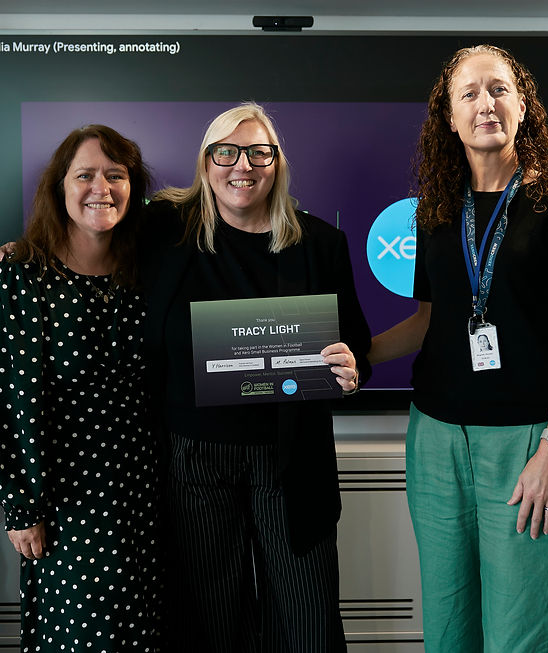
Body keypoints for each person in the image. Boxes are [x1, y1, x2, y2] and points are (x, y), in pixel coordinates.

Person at [368, 45, 548, 653]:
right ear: (448, 117)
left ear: (522, 106)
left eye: (498, 89)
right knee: (448, 632)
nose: (486, 104)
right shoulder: (434, 214)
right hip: (436, 443)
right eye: (469, 93)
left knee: (522, 636)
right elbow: (429, 320)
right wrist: (361, 355)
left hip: (529, 442)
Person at [143, 102, 371, 652]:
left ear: (277, 164)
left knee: (306, 615)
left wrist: (351, 367)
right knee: (207, 618)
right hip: (193, 456)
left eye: (258, 152)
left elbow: (355, 341)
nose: (241, 165)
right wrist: (18, 251)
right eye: (226, 152)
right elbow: (86, 227)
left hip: (291, 457)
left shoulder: (320, 244)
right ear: (205, 163)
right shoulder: (163, 230)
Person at [0, 125, 161, 652]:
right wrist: (20, 507)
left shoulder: (151, 274)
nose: (101, 187)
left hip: (149, 502)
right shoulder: (20, 277)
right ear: (60, 188)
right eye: (85, 175)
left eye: (115, 175)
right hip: (63, 509)